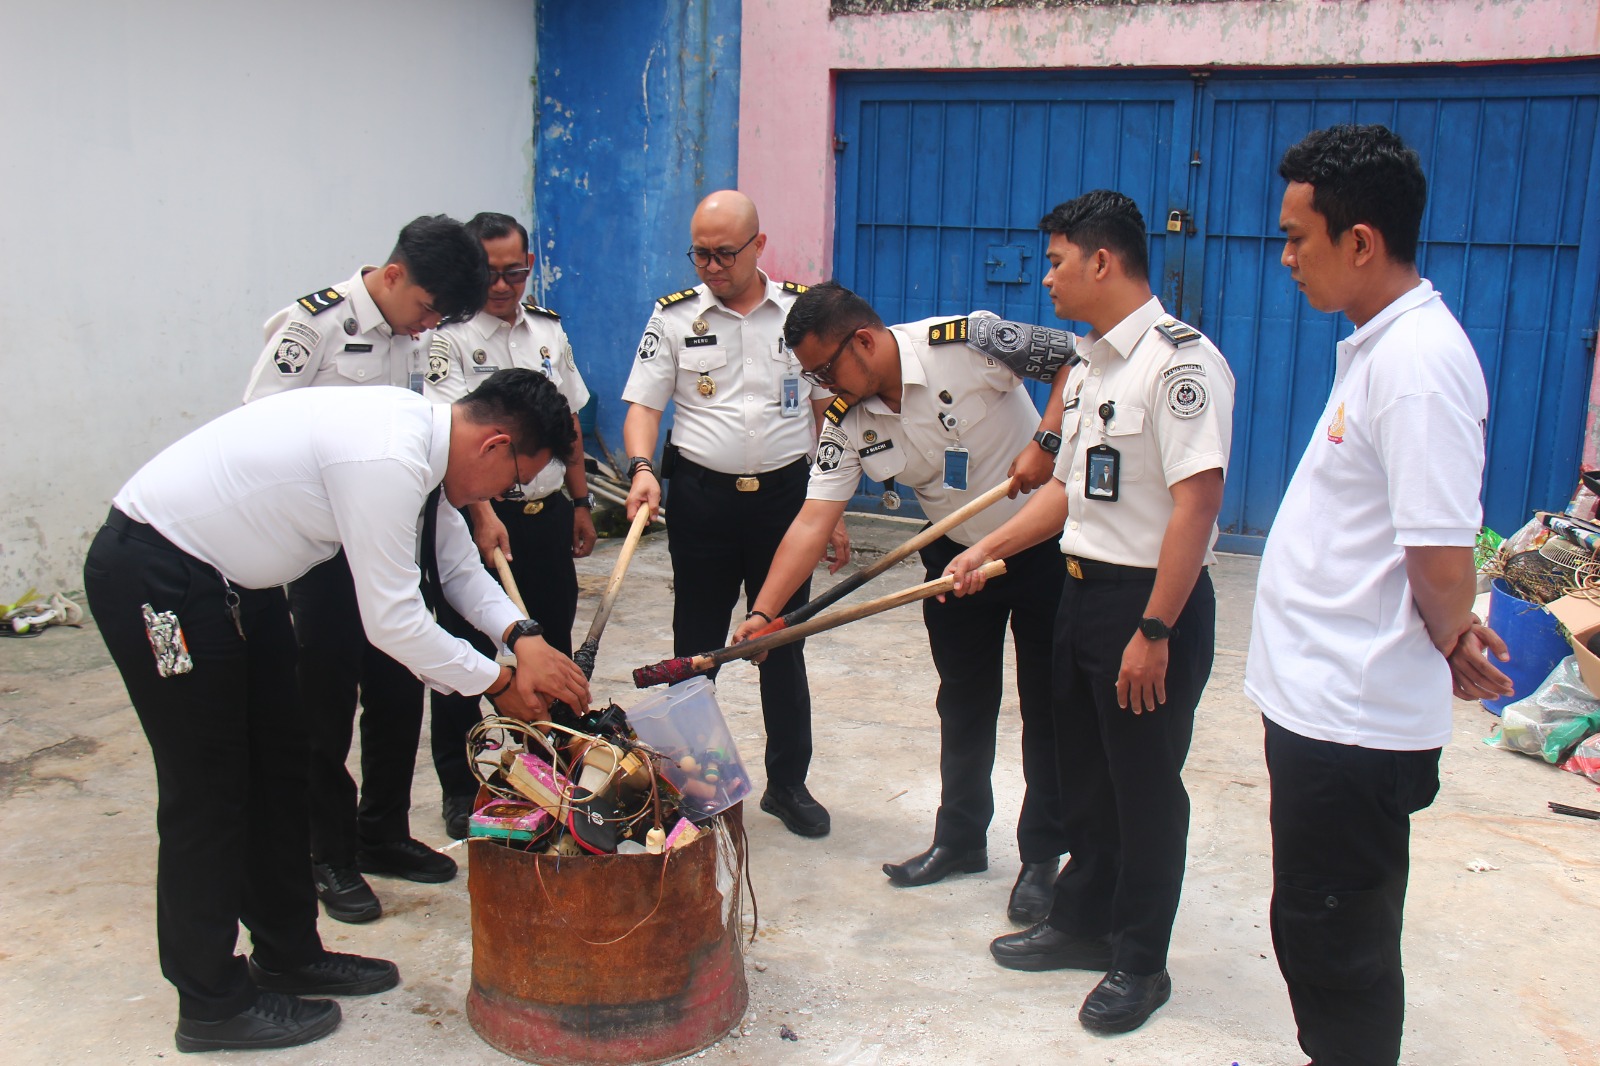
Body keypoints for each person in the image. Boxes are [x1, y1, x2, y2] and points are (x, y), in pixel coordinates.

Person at [83, 369, 590, 1052]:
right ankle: (208, 1003)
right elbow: (393, 620)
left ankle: (287, 953)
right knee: (207, 792)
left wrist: (521, 637)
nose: (502, 497)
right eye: (513, 482)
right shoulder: (387, 456)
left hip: (237, 588)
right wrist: (496, 681)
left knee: (280, 771)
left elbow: (458, 569)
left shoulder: (428, 450)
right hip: (161, 580)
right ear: (495, 444)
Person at [1250, 124, 1514, 1066]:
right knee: (1317, 933)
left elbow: (1441, 554)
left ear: (1359, 241)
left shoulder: (1417, 367)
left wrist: (1453, 638)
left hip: (1353, 726)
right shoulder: (1378, 348)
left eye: (1296, 237)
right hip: (1323, 707)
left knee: (1338, 946)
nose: (1284, 258)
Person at [944, 190, 1235, 1034]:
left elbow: (1197, 505)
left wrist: (1155, 629)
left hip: (1146, 605)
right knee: (1083, 779)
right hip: (1078, 592)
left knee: (1144, 790)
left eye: (1057, 262)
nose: (1046, 280)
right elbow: (1069, 492)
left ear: (1103, 262)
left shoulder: (1179, 364)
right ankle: (1080, 921)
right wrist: (988, 547)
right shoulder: (1093, 365)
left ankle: (1141, 960)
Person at [730, 280, 1075, 922]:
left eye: (825, 370)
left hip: (1042, 546)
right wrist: (762, 613)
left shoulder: (970, 342)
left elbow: (1078, 361)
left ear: (862, 340)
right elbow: (812, 521)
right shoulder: (848, 419)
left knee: (1048, 705)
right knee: (963, 700)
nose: (823, 389)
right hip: (952, 556)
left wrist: (1048, 441)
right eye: (812, 377)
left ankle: (1041, 857)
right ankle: (961, 838)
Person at [242, 215, 487, 923]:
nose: (428, 326)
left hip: (395, 534)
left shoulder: (422, 336)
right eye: (426, 309)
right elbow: (261, 430)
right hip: (323, 550)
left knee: (396, 689)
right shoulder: (311, 326)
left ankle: (382, 832)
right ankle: (328, 853)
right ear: (392, 276)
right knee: (324, 702)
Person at [622, 190, 846, 838]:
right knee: (694, 647)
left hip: (785, 501)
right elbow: (644, 405)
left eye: (725, 253)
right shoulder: (672, 318)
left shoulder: (802, 311)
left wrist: (830, 508)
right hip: (702, 501)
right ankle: (700, 787)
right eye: (701, 253)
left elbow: (828, 410)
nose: (712, 266)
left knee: (779, 640)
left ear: (759, 246)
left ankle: (789, 784)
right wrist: (641, 470)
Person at [423, 211, 596, 839]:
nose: (504, 285)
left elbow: (567, 424)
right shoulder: (447, 337)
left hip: (544, 513)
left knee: (546, 641)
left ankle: (539, 772)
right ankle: (460, 785)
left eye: (516, 272)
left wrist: (580, 501)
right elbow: (462, 447)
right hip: (477, 516)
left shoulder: (547, 332)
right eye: (492, 273)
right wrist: (482, 513)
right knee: (464, 648)